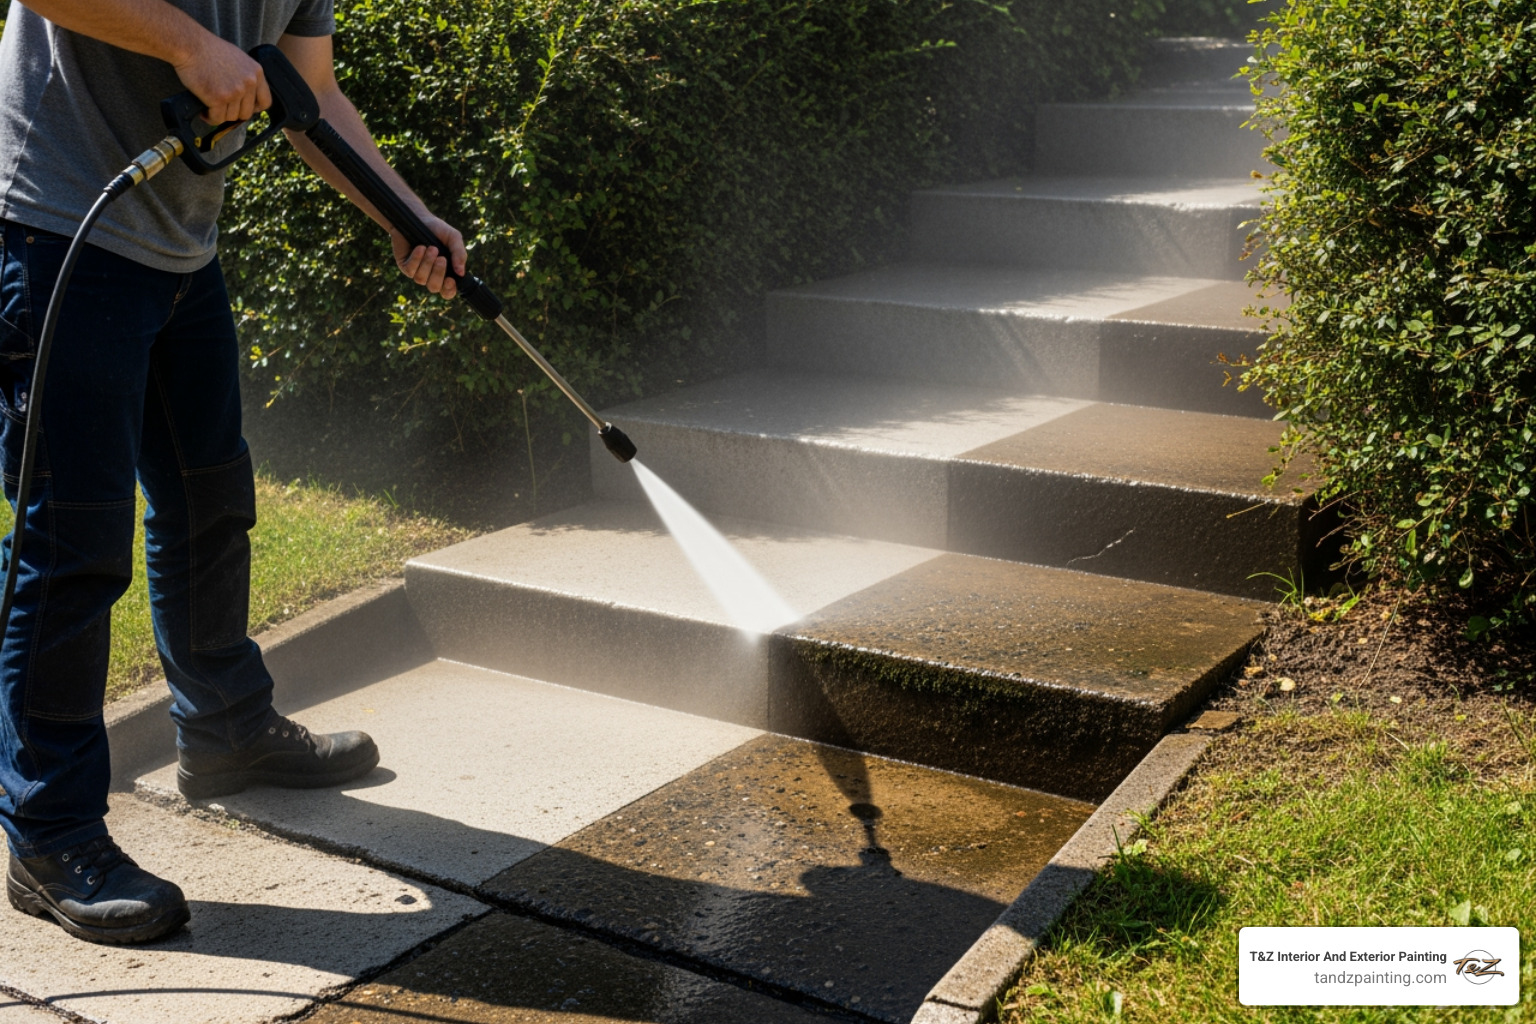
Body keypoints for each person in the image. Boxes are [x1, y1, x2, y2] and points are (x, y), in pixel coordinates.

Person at [0, 0, 467, 945]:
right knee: (75, 541)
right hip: (59, 232)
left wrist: (404, 217)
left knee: (210, 493)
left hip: (178, 248)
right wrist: (189, 46)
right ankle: (48, 833)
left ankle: (224, 729)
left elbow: (314, 92)